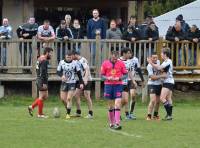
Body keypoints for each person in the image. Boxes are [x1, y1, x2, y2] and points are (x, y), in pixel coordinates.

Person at [101, 51, 128, 130]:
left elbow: (126, 75)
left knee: (117, 103)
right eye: (113, 58)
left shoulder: (121, 63)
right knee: (110, 106)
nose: (114, 60)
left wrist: (119, 78)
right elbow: (102, 75)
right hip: (108, 86)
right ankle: (112, 123)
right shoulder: (105, 63)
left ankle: (117, 123)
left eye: (116, 59)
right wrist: (107, 78)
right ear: (111, 56)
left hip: (118, 85)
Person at [147, 48, 174, 121]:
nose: (161, 55)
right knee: (168, 98)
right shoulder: (165, 61)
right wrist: (162, 74)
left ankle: (169, 115)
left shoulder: (168, 61)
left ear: (165, 54)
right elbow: (161, 70)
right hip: (168, 81)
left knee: (162, 98)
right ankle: (169, 115)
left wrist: (150, 62)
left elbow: (159, 68)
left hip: (168, 81)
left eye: (161, 53)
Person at [57, 51, 84, 119]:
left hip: (72, 82)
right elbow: (58, 71)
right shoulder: (61, 62)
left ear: (71, 57)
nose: (68, 58)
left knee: (69, 98)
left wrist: (81, 82)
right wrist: (62, 76)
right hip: (64, 82)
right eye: (67, 57)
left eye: (69, 57)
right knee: (63, 99)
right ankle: (68, 109)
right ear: (65, 57)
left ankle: (68, 114)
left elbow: (79, 73)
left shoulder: (75, 63)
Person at [28, 47, 53, 118]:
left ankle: (31, 107)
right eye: (51, 53)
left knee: (45, 96)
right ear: (47, 53)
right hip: (42, 80)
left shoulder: (40, 58)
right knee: (42, 97)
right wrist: (44, 82)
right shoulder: (44, 60)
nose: (51, 55)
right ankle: (40, 114)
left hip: (40, 79)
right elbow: (42, 72)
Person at [73, 51, 93, 119]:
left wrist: (85, 79)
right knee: (76, 95)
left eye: (72, 56)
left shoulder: (83, 60)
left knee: (87, 96)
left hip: (87, 80)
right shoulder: (76, 61)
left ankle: (90, 113)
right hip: (81, 80)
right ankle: (78, 112)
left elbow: (87, 69)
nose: (71, 57)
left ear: (75, 55)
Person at [146, 52, 162, 120]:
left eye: (156, 57)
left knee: (158, 101)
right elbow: (152, 77)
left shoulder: (159, 62)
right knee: (153, 100)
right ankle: (149, 115)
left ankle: (155, 115)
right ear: (150, 58)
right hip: (151, 84)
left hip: (159, 84)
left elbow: (161, 69)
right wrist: (162, 76)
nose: (155, 59)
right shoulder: (149, 66)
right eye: (153, 58)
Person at [128, 51, 145, 119]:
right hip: (124, 80)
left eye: (130, 53)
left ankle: (131, 113)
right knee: (123, 98)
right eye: (128, 53)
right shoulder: (122, 60)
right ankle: (118, 111)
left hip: (132, 80)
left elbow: (138, 70)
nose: (129, 54)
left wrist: (143, 80)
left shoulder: (135, 59)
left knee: (133, 95)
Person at [119, 48, 132, 120]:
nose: (129, 55)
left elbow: (129, 72)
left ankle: (117, 110)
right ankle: (118, 113)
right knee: (120, 99)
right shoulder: (118, 61)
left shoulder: (129, 62)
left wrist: (133, 81)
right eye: (128, 53)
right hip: (119, 83)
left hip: (126, 83)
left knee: (126, 100)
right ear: (124, 53)